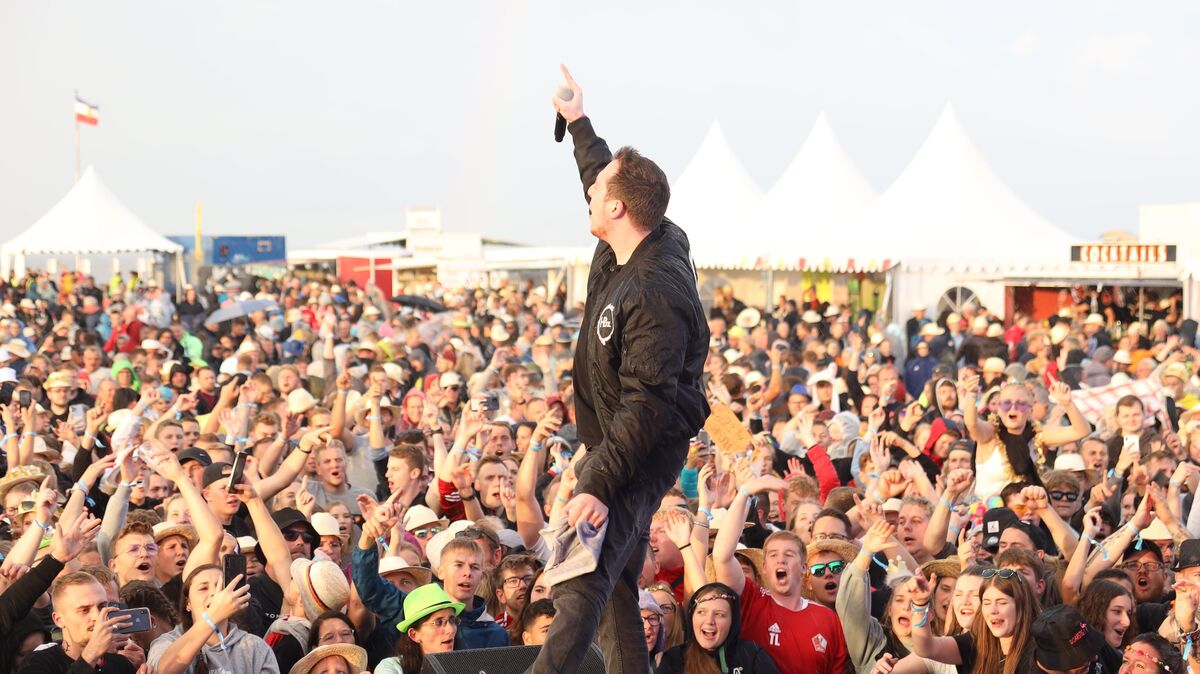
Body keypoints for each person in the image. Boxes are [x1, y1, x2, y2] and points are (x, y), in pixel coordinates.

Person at [532, 64, 709, 674]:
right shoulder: (631, 234)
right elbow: (604, 178)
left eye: (597, 193)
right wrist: (579, 123)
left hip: (639, 449)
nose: (587, 194)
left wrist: (600, 484)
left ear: (616, 208)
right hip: (613, 442)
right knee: (616, 595)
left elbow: (647, 405)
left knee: (582, 581)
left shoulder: (653, 290)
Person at [148, 564, 279, 674]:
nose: (214, 593)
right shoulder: (166, 642)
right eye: (203, 588)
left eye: (220, 587)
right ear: (188, 602)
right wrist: (213, 616)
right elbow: (163, 670)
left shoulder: (255, 647)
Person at [655, 581, 781, 674]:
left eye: (719, 614)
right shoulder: (675, 658)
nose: (709, 621)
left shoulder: (751, 654)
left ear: (733, 621)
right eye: (701, 612)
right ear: (691, 617)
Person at [375, 584, 464, 674]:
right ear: (414, 634)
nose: (451, 630)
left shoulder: (466, 664)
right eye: (438, 622)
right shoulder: (392, 667)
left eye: (452, 620)